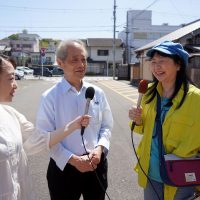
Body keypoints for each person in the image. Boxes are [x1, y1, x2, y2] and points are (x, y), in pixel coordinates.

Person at [0, 55, 91, 200]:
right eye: (11, 78)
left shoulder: (10, 114)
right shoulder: (50, 95)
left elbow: (40, 139)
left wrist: (74, 125)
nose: (16, 84)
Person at [36, 39, 113, 200]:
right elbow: (45, 137)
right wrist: (73, 160)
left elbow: (106, 126)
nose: (81, 64)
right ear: (60, 62)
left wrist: (99, 149)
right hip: (64, 168)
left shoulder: (97, 92)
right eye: (74, 60)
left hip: (95, 164)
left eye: (83, 59)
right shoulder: (50, 97)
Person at [129, 41, 200, 200]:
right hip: (151, 173)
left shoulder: (196, 99)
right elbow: (141, 129)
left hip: (182, 177)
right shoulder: (148, 93)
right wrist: (137, 120)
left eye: (162, 61)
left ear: (178, 65)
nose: (156, 67)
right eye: (153, 62)